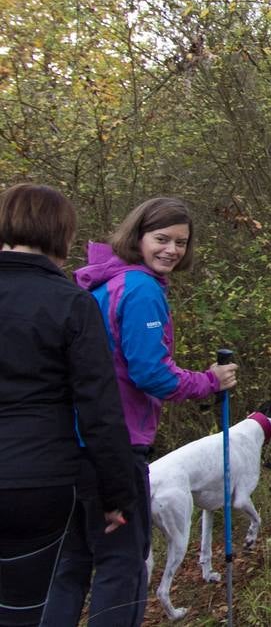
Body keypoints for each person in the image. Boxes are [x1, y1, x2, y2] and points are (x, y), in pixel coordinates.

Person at [46, 197, 238, 626]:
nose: (172, 250)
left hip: (75, 443)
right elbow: (153, 374)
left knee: (73, 564)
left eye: (181, 242)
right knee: (123, 565)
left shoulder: (103, 283)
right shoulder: (140, 288)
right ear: (137, 237)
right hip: (117, 444)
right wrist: (210, 381)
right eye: (162, 239)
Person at [0, 185, 138, 627]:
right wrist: (116, 493)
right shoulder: (70, 303)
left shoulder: (74, 300)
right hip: (36, 483)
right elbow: (99, 407)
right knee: (27, 609)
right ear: (63, 234)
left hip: (33, 476)